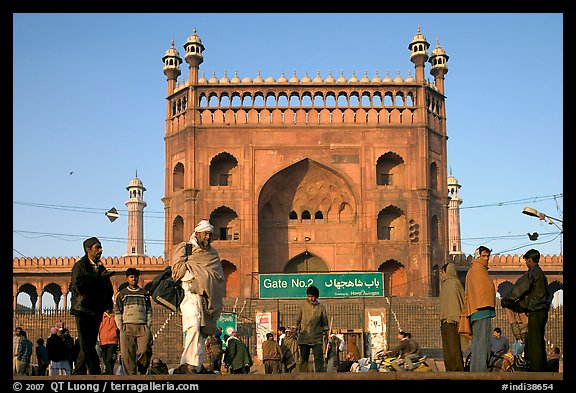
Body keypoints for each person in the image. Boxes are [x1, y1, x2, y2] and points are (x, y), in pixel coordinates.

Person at [170, 219, 226, 374]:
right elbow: (176, 271)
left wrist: (201, 275)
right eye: (205, 233)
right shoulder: (185, 248)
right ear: (197, 233)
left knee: (202, 331)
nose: (208, 237)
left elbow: (218, 276)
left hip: (206, 297)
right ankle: (188, 363)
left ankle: (196, 365)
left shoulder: (212, 254)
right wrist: (199, 274)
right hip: (188, 294)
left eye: (210, 234)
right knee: (193, 325)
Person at [501, 248, 552, 372]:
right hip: (542, 311)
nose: (526, 264)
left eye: (526, 261)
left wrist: (507, 300)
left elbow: (519, 289)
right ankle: (539, 367)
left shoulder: (533, 273)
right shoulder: (541, 275)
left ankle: (536, 370)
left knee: (535, 342)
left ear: (530, 260)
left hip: (536, 310)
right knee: (538, 341)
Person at [70, 236, 114, 375]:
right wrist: (98, 278)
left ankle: (78, 372)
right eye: (97, 248)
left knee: (88, 343)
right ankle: (95, 371)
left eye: (100, 247)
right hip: (82, 309)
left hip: (95, 310)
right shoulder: (80, 266)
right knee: (86, 343)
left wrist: (108, 303)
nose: (100, 251)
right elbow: (78, 286)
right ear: (88, 250)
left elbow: (108, 287)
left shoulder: (100, 266)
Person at [463, 245, 496, 372]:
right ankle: (480, 371)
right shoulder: (478, 270)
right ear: (478, 256)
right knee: (482, 344)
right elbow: (484, 290)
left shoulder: (473, 270)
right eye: (484, 256)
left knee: (478, 343)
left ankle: (475, 370)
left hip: (477, 311)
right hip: (481, 310)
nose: (486, 259)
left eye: (488, 256)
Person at [114, 267, 153, 375]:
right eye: (131, 277)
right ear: (127, 278)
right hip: (127, 325)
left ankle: (142, 370)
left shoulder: (144, 293)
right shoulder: (122, 294)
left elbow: (149, 310)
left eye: (135, 277)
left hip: (142, 325)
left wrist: (148, 325)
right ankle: (131, 376)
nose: (134, 279)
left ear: (138, 278)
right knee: (127, 354)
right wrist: (120, 326)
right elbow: (117, 311)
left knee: (144, 350)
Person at [295, 284, 329, 373]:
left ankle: (319, 376)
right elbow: (297, 319)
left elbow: (325, 321)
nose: (311, 298)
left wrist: (326, 333)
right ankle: (302, 376)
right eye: (309, 296)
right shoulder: (302, 306)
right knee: (303, 359)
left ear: (316, 296)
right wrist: (295, 329)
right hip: (304, 337)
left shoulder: (321, 307)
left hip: (317, 337)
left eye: (313, 296)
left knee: (318, 358)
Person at [439, 262, 465, 371]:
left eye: (442, 272)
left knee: (454, 350)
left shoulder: (455, 284)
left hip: (453, 322)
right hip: (445, 322)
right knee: (447, 352)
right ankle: (450, 373)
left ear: (447, 271)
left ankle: (458, 374)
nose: (441, 275)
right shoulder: (445, 285)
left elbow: (463, 301)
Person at [99, 307, 120, 375]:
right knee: (105, 359)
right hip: (103, 341)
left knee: (110, 359)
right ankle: (108, 373)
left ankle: (109, 374)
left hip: (113, 341)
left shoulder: (115, 317)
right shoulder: (101, 317)